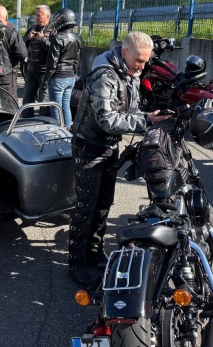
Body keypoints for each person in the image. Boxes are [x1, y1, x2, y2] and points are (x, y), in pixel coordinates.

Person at [68, 31, 171, 289]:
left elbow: (129, 109)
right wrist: (146, 120)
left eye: (146, 61)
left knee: (103, 205)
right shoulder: (105, 75)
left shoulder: (128, 72)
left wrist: (149, 114)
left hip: (107, 145)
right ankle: (77, 264)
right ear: (124, 53)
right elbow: (107, 119)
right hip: (90, 147)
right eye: (139, 60)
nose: (142, 66)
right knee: (86, 208)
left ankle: (94, 253)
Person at [39, 8, 81, 127]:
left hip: (58, 77)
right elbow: (76, 61)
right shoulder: (77, 38)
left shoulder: (58, 38)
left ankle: (57, 131)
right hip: (71, 77)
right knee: (66, 106)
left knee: (55, 107)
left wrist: (45, 81)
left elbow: (52, 63)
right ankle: (67, 130)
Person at [22, 5, 54, 117]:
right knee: (27, 99)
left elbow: (55, 50)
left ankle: (43, 122)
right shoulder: (32, 29)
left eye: (39, 15)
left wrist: (43, 40)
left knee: (44, 101)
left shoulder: (53, 31)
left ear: (47, 16)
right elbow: (20, 45)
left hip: (45, 72)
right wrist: (28, 38)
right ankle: (26, 120)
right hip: (31, 70)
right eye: (35, 15)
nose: (36, 18)